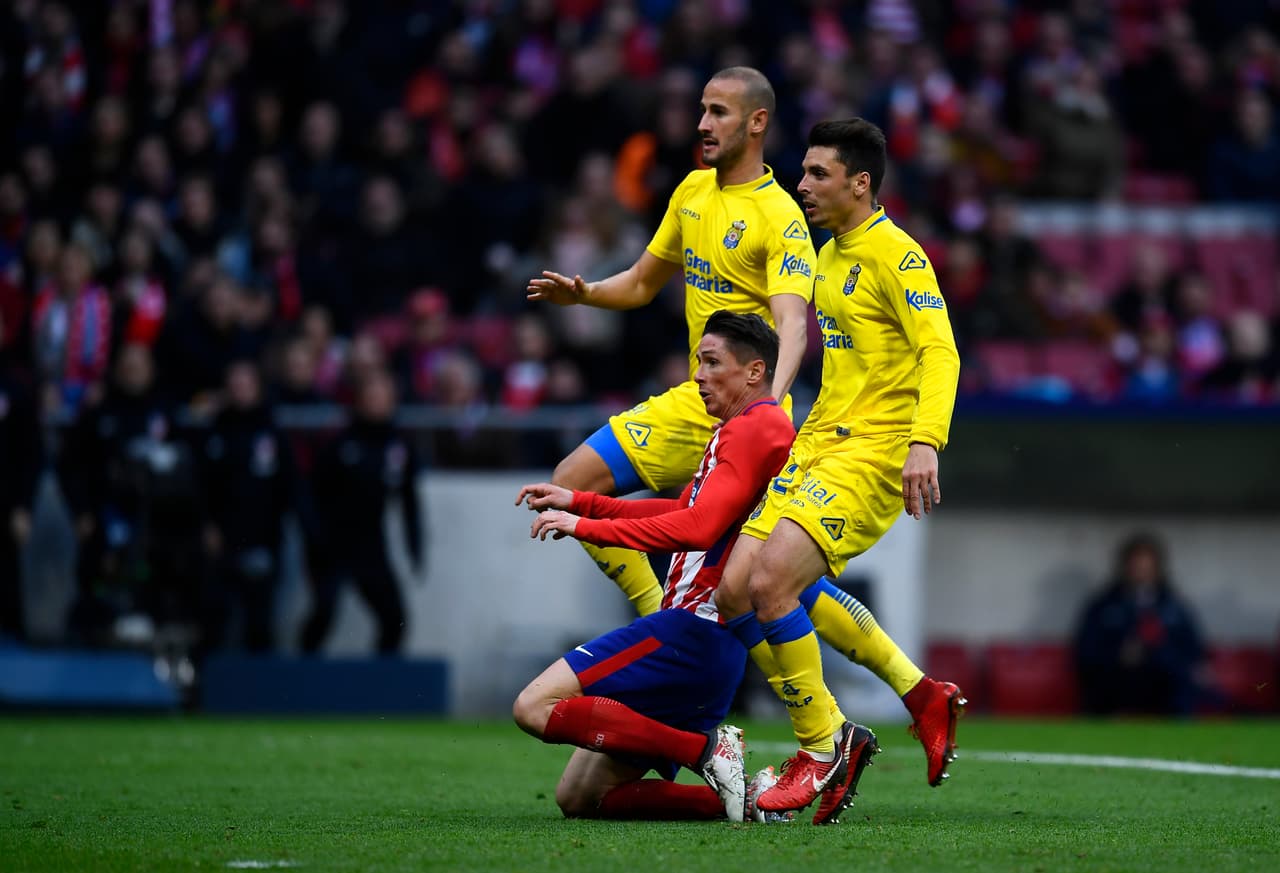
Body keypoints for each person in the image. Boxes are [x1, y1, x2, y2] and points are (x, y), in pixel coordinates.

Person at [512, 312, 875, 823]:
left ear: (753, 372)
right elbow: (679, 512)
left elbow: (698, 529)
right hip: (706, 647)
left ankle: (704, 752)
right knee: (579, 798)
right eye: (697, 362)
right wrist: (582, 501)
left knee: (533, 707)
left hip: (693, 633)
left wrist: (584, 528)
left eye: (711, 363)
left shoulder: (760, 427)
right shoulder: (738, 429)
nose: (698, 375)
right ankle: (747, 802)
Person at [711, 119, 964, 814]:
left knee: (771, 580)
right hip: (819, 439)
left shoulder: (899, 256)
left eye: (818, 174)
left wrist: (925, 442)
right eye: (803, 172)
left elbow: (940, 352)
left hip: (875, 450)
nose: (803, 185)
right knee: (735, 589)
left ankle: (824, 745)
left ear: (861, 182)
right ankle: (919, 693)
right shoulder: (827, 256)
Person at [527, 66, 815, 618]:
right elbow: (640, 282)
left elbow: (792, 324)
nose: (702, 124)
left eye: (718, 113)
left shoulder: (781, 216)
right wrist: (585, 293)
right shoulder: (691, 190)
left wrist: (767, 410)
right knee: (569, 479)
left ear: (757, 123)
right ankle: (660, 615)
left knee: (764, 583)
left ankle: (882, 693)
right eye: (702, 110)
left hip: (752, 415)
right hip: (697, 400)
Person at [300, 368, 423, 654]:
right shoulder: (338, 442)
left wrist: (414, 544)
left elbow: (408, 500)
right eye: (371, 397)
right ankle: (299, 680)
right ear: (359, 401)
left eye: (384, 397)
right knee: (324, 611)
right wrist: (314, 538)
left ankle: (382, 685)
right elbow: (309, 493)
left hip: (371, 546)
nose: (378, 403)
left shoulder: (399, 445)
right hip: (331, 544)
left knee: (395, 619)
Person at [199, 360, 300, 653]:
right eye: (234, 386)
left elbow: (288, 487)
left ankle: (260, 690)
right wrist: (208, 525)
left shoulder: (272, 434)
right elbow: (203, 486)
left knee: (261, 621)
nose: (240, 391)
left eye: (245, 385)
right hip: (222, 540)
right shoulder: (215, 432)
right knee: (215, 616)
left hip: (263, 539)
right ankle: (207, 688)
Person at [1074, 532, 1212, 716]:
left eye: (1146, 567)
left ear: (1157, 568)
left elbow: (1194, 651)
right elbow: (1085, 651)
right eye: (1136, 566)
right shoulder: (1103, 605)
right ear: (1125, 567)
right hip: (1118, 679)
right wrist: (1118, 654)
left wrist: (1163, 654)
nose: (1141, 572)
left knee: (1184, 683)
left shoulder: (1174, 606)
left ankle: (1179, 736)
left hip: (1162, 681)